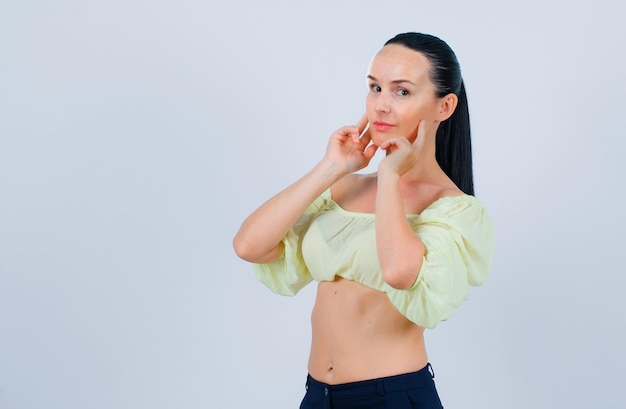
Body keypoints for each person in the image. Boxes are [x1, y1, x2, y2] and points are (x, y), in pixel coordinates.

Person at [233, 32, 495, 409]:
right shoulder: (345, 188)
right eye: (375, 88)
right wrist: (331, 168)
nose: (381, 106)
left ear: (444, 106)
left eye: (402, 92)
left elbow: (400, 272)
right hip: (317, 395)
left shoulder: (453, 208)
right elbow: (249, 245)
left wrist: (390, 176)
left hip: (392, 396)